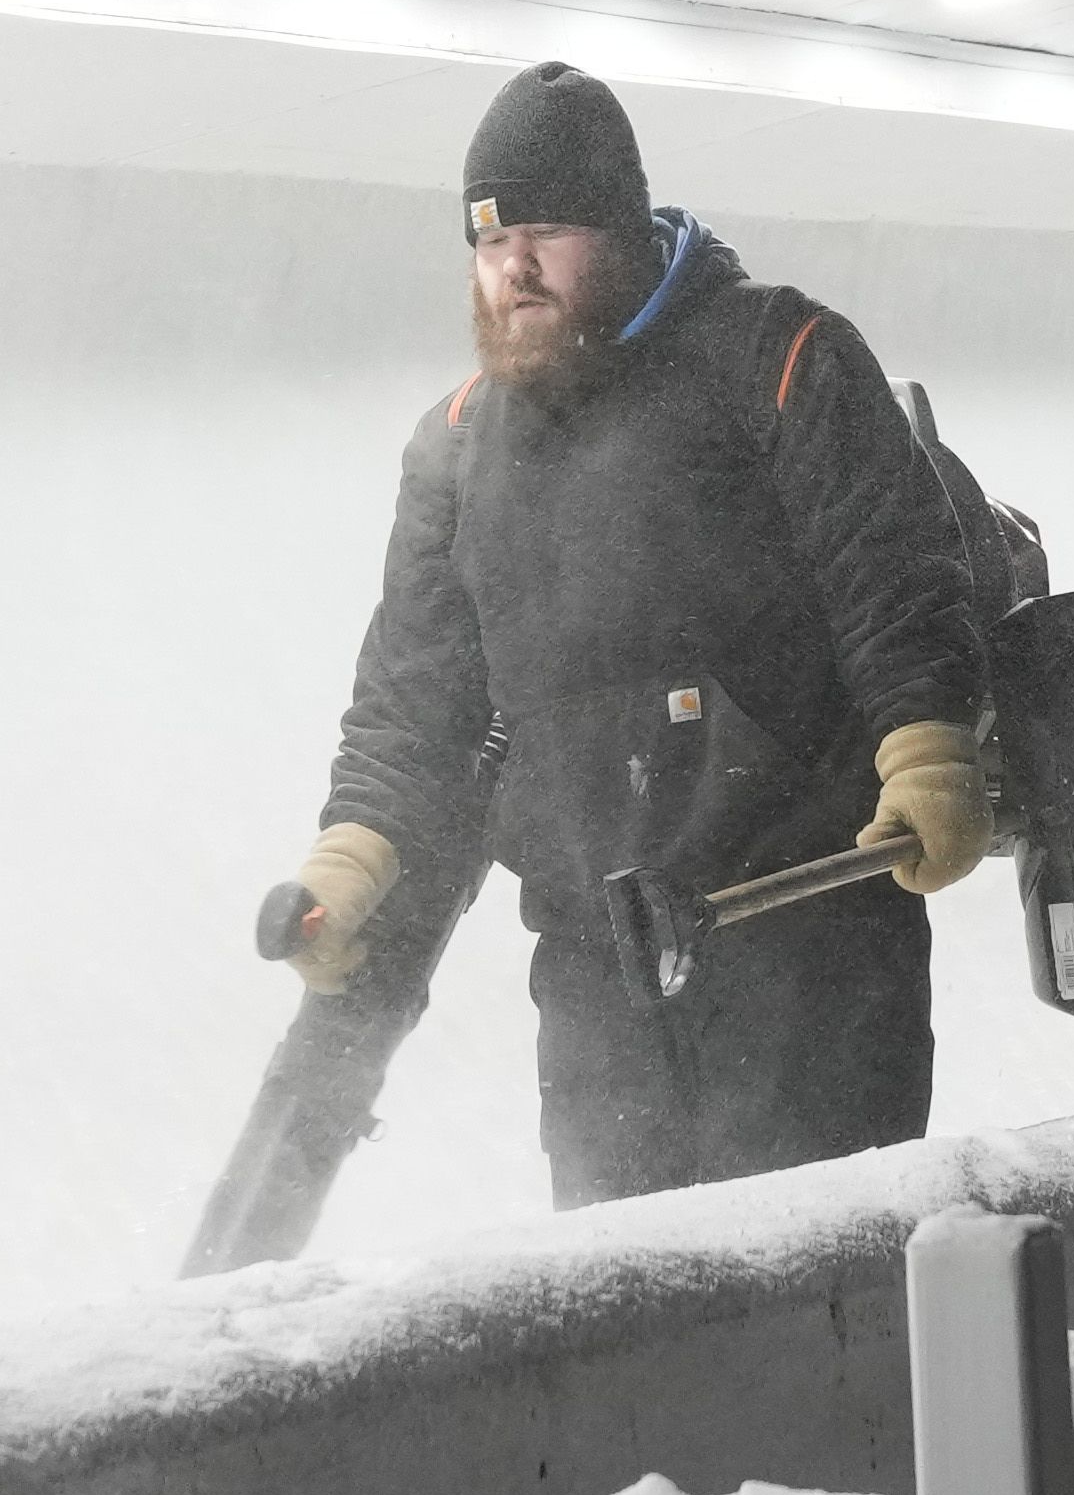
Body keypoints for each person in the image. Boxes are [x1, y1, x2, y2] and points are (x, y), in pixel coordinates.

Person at [259, 62, 1007, 1203]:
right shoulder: (458, 448)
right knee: (625, 1292)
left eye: (546, 232)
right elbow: (416, 696)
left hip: (807, 940)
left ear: (618, 227)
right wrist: (352, 857)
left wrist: (926, 747)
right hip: (592, 969)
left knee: (814, 1297)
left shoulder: (778, 359)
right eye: (488, 241)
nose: (514, 266)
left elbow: (892, 567)